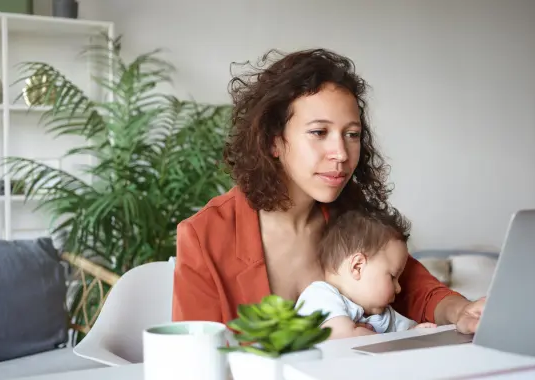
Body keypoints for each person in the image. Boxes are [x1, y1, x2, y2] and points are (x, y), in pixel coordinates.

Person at [172, 48, 485, 334]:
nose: (341, 153)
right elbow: (192, 356)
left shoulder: (352, 215)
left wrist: (461, 312)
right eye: (319, 132)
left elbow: (414, 288)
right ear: (273, 140)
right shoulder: (204, 236)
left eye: (351, 134)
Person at [296, 208, 437, 339]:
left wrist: (415, 333)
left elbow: (407, 335)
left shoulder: (384, 315)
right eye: (393, 277)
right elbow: (343, 336)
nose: (398, 288)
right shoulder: (320, 295)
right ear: (357, 266)